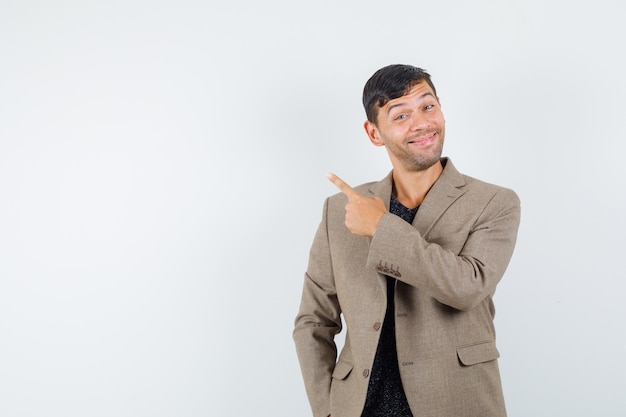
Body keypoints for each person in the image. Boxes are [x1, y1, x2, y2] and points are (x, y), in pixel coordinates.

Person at [293, 64, 521, 417]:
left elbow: (467, 287)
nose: (421, 123)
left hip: (457, 402)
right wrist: (327, 408)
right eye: (401, 115)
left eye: (428, 107)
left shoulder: (494, 202)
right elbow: (313, 322)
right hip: (360, 408)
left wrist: (383, 228)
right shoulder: (340, 210)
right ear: (374, 133)